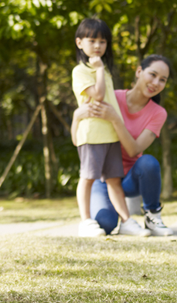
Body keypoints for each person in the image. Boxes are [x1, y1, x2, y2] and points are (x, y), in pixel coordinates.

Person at [72, 54, 174, 237]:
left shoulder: (158, 113)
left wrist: (115, 119)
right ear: (139, 71)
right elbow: (85, 131)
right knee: (105, 224)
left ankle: (152, 216)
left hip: (129, 179)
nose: (156, 83)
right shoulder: (113, 97)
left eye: (162, 80)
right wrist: (76, 116)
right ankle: (121, 219)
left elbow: (134, 150)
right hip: (104, 177)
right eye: (152, 74)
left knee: (148, 163)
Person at [71, 18, 150, 237]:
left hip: (110, 134)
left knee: (114, 179)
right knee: (87, 177)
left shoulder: (103, 71)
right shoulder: (81, 71)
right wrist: (97, 70)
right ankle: (85, 221)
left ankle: (126, 221)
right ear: (80, 43)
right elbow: (96, 94)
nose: (98, 45)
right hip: (91, 134)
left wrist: (99, 70)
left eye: (103, 41)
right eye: (92, 40)